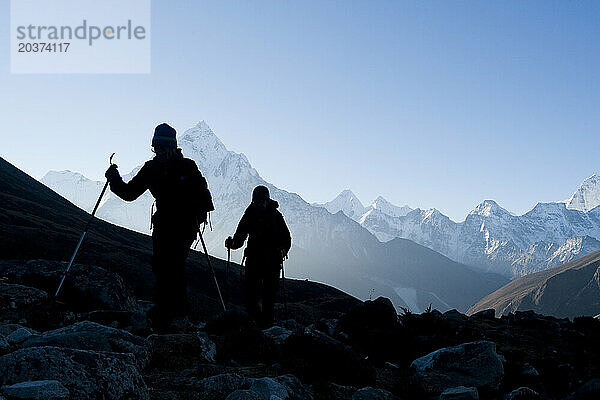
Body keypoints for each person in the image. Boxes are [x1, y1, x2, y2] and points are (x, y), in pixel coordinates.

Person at [105, 123, 214, 330]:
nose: (160, 152)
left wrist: (195, 217)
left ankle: (173, 313)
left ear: (173, 147)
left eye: (163, 148)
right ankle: (171, 313)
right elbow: (130, 193)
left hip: (184, 225)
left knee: (172, 265)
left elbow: (204, 198)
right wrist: (114, 179)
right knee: (164, 266)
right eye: (157, 148)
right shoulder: (153, 168)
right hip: (164, 224)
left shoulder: (188, 167)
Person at [225, 185, 291, 328]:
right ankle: (258, 326)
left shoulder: (274, 216)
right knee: (252, 297)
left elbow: (286, 239)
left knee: (267, 298)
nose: (259, 204)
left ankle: (262, 326)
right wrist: (233, 243)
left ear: (266, 200)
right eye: (257, 201)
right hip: (259, 261)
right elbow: (240, 236)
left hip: (269, 262)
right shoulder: (252, 214)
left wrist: (283, 250)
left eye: (261, 201)